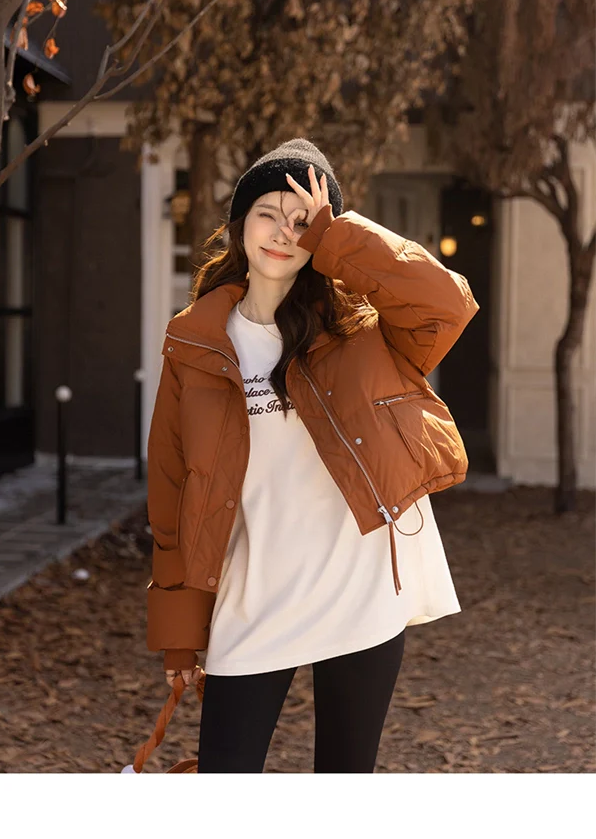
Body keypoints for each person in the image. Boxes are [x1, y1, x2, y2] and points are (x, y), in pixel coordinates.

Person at [146, 138, 480, 773]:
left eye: (303, 220)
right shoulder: (193, 341)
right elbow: (171, 489)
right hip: (253, 597)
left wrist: (338, 236)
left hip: (359, 589)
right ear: (239, 225)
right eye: (268, 213)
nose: (283, 232)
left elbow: (447, 303)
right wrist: (181, 629)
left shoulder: (362, 331)